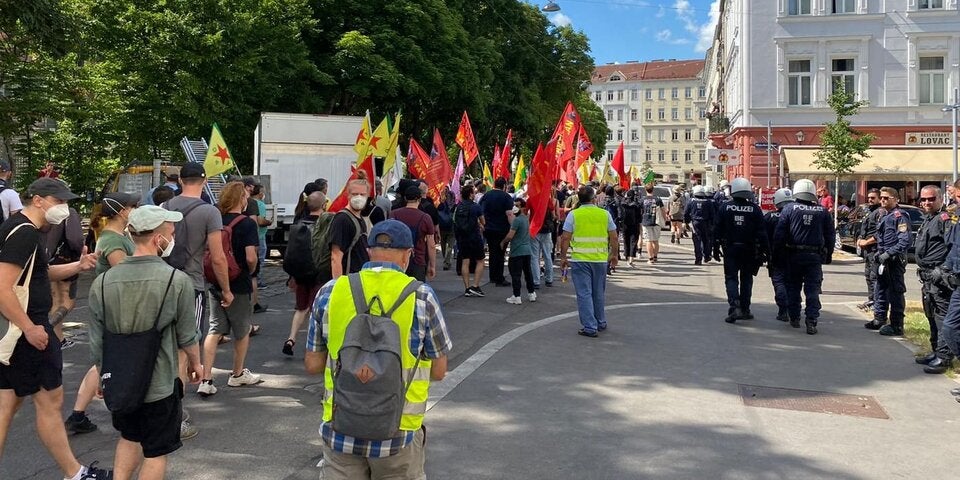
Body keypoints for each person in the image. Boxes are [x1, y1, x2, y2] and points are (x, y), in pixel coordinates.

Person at [304, 219, 451, 479]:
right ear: (407, 255)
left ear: (369, 251)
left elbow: (313, 364)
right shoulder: (422, 296)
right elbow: (439, 371)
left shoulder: (331, 291)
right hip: (399, 431)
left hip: (341, 424)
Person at [0, 178, 111, 479]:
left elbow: (38, 272)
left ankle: (74, 472)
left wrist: (78, 265)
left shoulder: (21, 228)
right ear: (38, 200)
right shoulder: (25, 233)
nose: (64, 208)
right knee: (50, 401)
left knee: (7, 405)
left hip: (18, 332)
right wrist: (30, 328)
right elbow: (2, 286)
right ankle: (75, 473)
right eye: (59, 201)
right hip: (29, 333)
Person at [88, 205, 202, 480]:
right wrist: (196, 364)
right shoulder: (176, 280)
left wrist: (103, 375)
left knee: (129, 437)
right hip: (160, 383)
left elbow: (97, 339)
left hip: (121, 382)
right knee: (155, 451)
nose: (173, 238)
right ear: (158, 239)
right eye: (171, 234)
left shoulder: (103, 282)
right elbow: (187, 335)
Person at [161, 162, 232, 439]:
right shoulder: (209, 212)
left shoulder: (165, 207)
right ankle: (175, 417)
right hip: (191, 285)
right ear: (203, 182)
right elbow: (217, 257)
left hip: (162, 282)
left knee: (163, 347)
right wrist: (225, 290)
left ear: (180, 180)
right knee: (184, 350)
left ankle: (159, 408)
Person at [64, 192, 140, 436]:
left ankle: (79, 414)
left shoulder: (118, 235)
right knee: (107, 358)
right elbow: (125, 273)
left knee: (108, 358)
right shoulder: (112, 240)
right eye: (133, 206)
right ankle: (80, 413)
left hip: (116, 303)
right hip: (115, 305)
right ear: (121, 211)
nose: (136, 209)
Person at [197, 182, 262, 397]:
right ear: (241, 199)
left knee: (214, 329)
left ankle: (206, 378)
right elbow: (251, 257)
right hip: (238, 281)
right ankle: (237, 374)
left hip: (215, 279)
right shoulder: (247, 223)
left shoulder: (215, 220)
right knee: (242, 331)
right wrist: (249, 271)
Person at [774, 179, 834, 335]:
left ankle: (794, 317)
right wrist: (829, 254)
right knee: (812, 289)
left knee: (793, 287)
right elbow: (830, 235)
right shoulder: (822, 211)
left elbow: (780, 234)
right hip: (814, 256)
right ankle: (811, 320)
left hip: (793, 254)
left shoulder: (789, 209)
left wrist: (777, 254)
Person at [559, 186, 619, 338]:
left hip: (580, 259)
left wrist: (563, 257)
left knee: (584, 293)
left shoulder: (574, 215)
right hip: (600, 259)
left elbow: (565, 237)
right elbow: (614, 236)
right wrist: (614, 255)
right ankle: (600, 322)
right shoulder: (604, 214)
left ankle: (590, 326)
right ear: (594, 199)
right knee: (598, 293)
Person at [913, 185, 956, 373]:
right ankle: (936, 350)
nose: (927, 202)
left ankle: (944, 357)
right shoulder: (929, 219)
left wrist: (943, 270)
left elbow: (953, 248)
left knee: (941, 316)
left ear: (940, 199)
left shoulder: (944, 219)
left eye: (931, 199)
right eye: (923, 199)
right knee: (931, 314)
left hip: (939, 277)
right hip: (928, 277)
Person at [284, 191, 331, 357]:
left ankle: (291, 338)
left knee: (300, 308)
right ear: (324, 205)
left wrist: (292, 276)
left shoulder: (298, 224)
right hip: (319, 273)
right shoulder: (325, 225)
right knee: (315, 310)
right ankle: (313, 345)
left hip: (300, 273)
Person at [716, 178, 769, 324]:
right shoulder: (755, 209)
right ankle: (745, 309)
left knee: (731, 278)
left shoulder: (725, 207)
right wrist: (766, 250)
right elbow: (762, 232)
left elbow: (717, 228)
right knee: (746, 278)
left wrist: (714, 248)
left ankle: (734, 306)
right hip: (749, 249)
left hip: (730, 248)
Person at [864, 187, 912, 336]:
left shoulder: (899, 216)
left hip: (894, 260)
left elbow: (905, 241)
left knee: (895, 292)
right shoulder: (884, 215)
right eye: (882, 198)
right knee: (880, 289)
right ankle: (879, 318)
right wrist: (879, 253)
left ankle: (897, 325)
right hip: (882, 259)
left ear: (896, 199)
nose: (883, 200)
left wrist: (888, 253)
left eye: (887, 198)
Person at [45, 205, 84, 348]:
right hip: (67, 259)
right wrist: (80, 252)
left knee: (56, 300)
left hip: (49, 260)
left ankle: (57, 338)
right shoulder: (69, 212)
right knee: (68, 302)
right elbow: (75, 239)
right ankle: (49, 330)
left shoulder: (45, 212)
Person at [389, 185, 436, 282]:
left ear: (405, 198)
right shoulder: (425, 218)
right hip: (417, 261)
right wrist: (432, 265)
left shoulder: (394, 214)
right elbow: (431, 245)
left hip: (397, 260)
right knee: (417, 290)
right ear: (419, 199)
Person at [330, 176, 372, 278]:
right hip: (348, 279)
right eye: (355, 194)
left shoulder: (360, 219)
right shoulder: (342, 219)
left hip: (358, 278)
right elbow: (335, 257)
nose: (359, 197)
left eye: (362, 194)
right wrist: (338, 283)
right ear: (348, 195)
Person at [764, 188, 794, 322]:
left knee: (779, 282)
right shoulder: (795, 215)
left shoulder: (770, 217)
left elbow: (762, 235)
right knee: (792, 282)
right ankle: (792, 310)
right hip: (794, 253)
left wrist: (764, 253)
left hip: (775, 254)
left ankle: (783, 310)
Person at [480, 178, 515, 287]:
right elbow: (509, 214)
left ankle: (492, 276)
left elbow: (480, 211)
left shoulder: (486, 196)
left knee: (492, 252)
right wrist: (514, 228)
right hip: (501, 230)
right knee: (500, 253)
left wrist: (482, 225)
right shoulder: (506, 197)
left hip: (488, 229)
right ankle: (499, 278)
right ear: (504, 186)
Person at [501, 198, 535, 304]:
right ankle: (531, 293)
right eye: (514, 205)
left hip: (517, 251)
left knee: (515, 274)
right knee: (528, 273)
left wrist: (503, 242)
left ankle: (516, 296)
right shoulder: (526, 219)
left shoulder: (517, 220)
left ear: (523, 207)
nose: (515, 207)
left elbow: (510, 235)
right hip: (527, 250)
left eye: (517, 205)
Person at [454, 184, 486, 297]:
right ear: (471, 194)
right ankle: (475, 285)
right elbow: (483, 221)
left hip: (462, 238)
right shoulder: (476, 207)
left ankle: (467, 288)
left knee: (465, 261)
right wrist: (479, 224)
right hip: (475, 237)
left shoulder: (459, 207)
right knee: (480, 260)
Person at [856, 189, 885, 311]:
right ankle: (871, 300)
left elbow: (880, 233)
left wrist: (867, 242)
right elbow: (865, 229)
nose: (870, 200)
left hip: (875, 249)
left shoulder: (880, 212)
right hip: (868, 251)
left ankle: (876, 303)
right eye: (869, 197)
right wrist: (860, 239)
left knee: (874, 277)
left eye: (873, 198)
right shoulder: (870, 211)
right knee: (868, 276)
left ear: (879, 198)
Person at [251, 183, 271, 314]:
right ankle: (259, 280)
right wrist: (269, 222)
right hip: (260, 236)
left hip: (252, 237)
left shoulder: (249, 202)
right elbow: (261, 221)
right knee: (260, 260)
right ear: (259, 193)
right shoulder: (260, 205)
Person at [684, 186, 717, 265]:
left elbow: (686, 212)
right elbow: (712, 214)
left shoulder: (691, 201)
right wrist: (712, 224)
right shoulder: (708, 201)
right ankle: (706, 255)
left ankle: (698, 259)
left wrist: (686, 222)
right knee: (705, 240)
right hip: (706, 223)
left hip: (695, 223)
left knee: (697, 241)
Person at [531, 193, 558, 288]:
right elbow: (553, 215)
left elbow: (526, 213)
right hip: (546, 230)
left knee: (534, 257)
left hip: (534, 230)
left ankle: (536, 281)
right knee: (547, 255)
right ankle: (549, 279)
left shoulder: (531, 198)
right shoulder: (547, 200)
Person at [639, 183, 666, 265]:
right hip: (656, 221)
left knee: (648, 240)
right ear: (653, 189)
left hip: (646, 221)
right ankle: (655, 256)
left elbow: (640, 211)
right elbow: (663, 210)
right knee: (655, 240)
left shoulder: (643, 200)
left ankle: (650, 258)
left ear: (645, 190)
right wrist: (664, 219)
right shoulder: (658, 199)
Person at [619, 189, 641, 267]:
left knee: (626, 241)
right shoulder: (636, 204)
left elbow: (621, 214)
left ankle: (627, 257)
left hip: (625, 225)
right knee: (633, 241)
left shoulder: (623, 203)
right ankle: (631, 259)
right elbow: (639, 216)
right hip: (634, 225)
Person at [437, 188, 455, 271]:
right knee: (450, 245)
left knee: (443, 244)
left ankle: (446, 259)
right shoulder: (454, 206)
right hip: (451, 228)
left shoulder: (440, 206)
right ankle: (447, 261)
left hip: (442, 228)